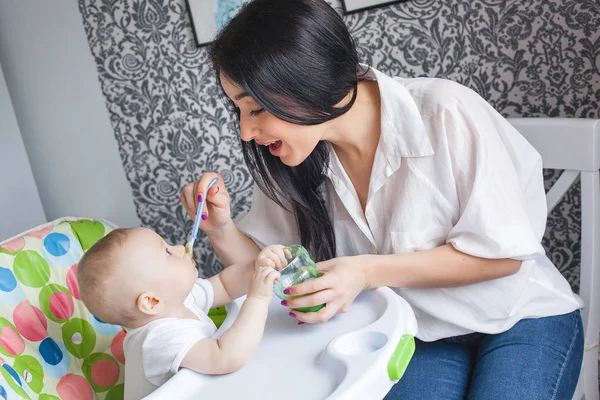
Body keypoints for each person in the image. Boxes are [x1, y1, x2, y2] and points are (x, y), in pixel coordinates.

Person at [179, 0, 584, 398]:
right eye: (239, 111)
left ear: (301, 79)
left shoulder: (444, 112)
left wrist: (366, 272)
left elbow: (505, 257)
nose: (247, 133)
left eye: (254, 109)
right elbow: (265, 268)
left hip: (521, 317)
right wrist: (222, 228)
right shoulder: (297, 158)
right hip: (417, 331)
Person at [77, 227, 284, 400]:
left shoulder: (175, 300)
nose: (179, 248)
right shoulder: (158, 340)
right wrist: (258, 299)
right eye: (167, 252)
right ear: (151, 301)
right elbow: (225, 357)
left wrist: (258, 265)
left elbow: (224, 286)